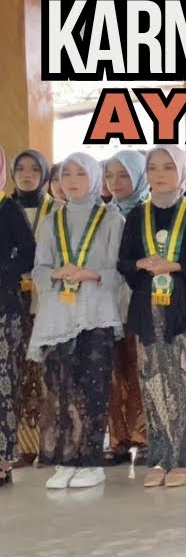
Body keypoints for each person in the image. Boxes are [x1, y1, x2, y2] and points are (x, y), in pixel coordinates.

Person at [117, 146, 186, 488]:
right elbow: (124, 262)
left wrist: (174, 266)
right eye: (153, 168)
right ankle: (159, 456)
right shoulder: (136, 215)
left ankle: (183, 459)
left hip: (182, 311)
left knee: (183, 386)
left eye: (167, 168)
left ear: (181, 173)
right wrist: (142, 264)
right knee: (152, 386)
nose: (160, 174)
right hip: (146, 310)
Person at [29, 153, 125, 489]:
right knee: (60, 387)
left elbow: (119, 272)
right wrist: (56, 273)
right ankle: (65, 459)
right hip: (58, 314)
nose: (71, 180)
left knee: (93, 388)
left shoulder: (112, 219)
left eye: (80, 174)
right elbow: (38, 269)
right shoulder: (52, 219)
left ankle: (91, 460)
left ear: (95, 178)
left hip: (95, 312)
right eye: (65, 173)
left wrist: (90, 274)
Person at [103, 149, 151, 465]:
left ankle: (144, 437)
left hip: (140, 300)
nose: (117, 182)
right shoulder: (101, 213)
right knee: (112, 370)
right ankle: (117, 438)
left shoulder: (149, 212)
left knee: (140, 368)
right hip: (106, 301)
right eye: (110, 175)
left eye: (124, 174)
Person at [10, 149, 55, 469]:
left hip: (48, 299)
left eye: (34, 168)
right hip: (11, 300)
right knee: (19, 373)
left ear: (45, 174)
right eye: (21, 169)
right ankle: (25, 445)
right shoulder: (5, 208)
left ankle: (50, 441)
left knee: (48, 372)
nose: (27, 174)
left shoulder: (56, 210)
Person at [0, 148, 37, 486]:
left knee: (2, 384)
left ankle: (2, 459)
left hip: (3, 308)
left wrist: (3, 271)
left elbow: (28, 253)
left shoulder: (7, 208)